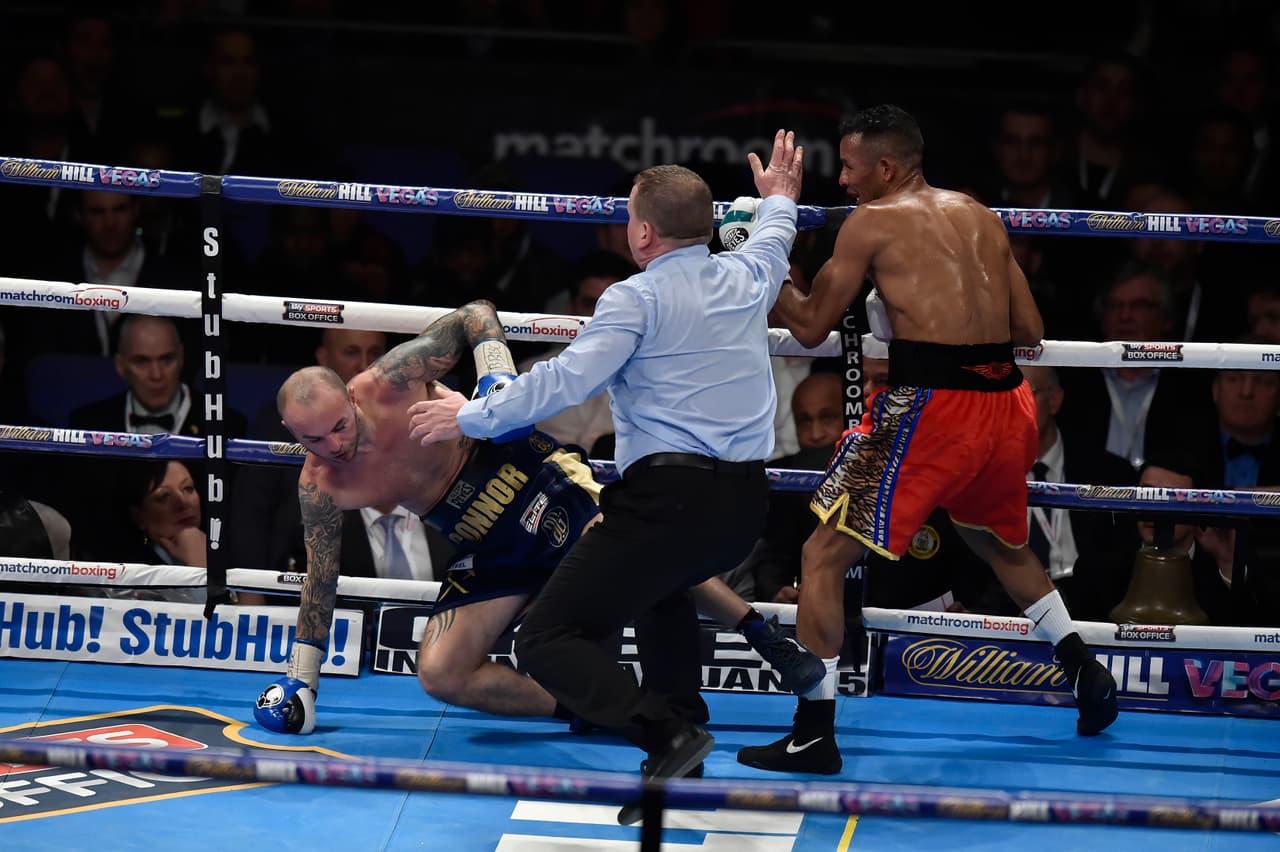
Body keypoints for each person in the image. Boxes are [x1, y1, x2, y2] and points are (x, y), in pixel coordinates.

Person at [405, 131, 805, 819]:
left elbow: (564, 381)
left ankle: (665, 733)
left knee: (546, 639)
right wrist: (780, 200)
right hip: (743, 508)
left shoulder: (635, 298)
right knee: (664, 588)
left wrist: (468, 416)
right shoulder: (748, 276)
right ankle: (681, 744)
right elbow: (774, 238)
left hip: (666, 502)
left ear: (642, 232)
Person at [740, 105, 1119, 776]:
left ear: (886, 167)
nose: (844, 182)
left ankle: (813, 734)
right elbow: (1029, 329)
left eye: (850, 168)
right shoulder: (979, 214)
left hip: (932, 409)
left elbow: (809, 325)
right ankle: (1085, 669)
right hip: (1007, 404)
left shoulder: (871, 222)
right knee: (994, 539)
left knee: (822, 554)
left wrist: (756, 250)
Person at [257, 297, 823, 741]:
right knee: (442, 673)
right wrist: (302, 680)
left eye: (340, 426)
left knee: (637, 541)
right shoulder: (322, 484)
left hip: (526, 477)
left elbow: (477, 313)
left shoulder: (392, 381)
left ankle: (764, 636)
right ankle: (584, 709)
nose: (335, 445)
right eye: (315, 439)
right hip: (482, 542)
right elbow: (320, 581)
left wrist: (495, 380)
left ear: (351, 398)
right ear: (292, 435)